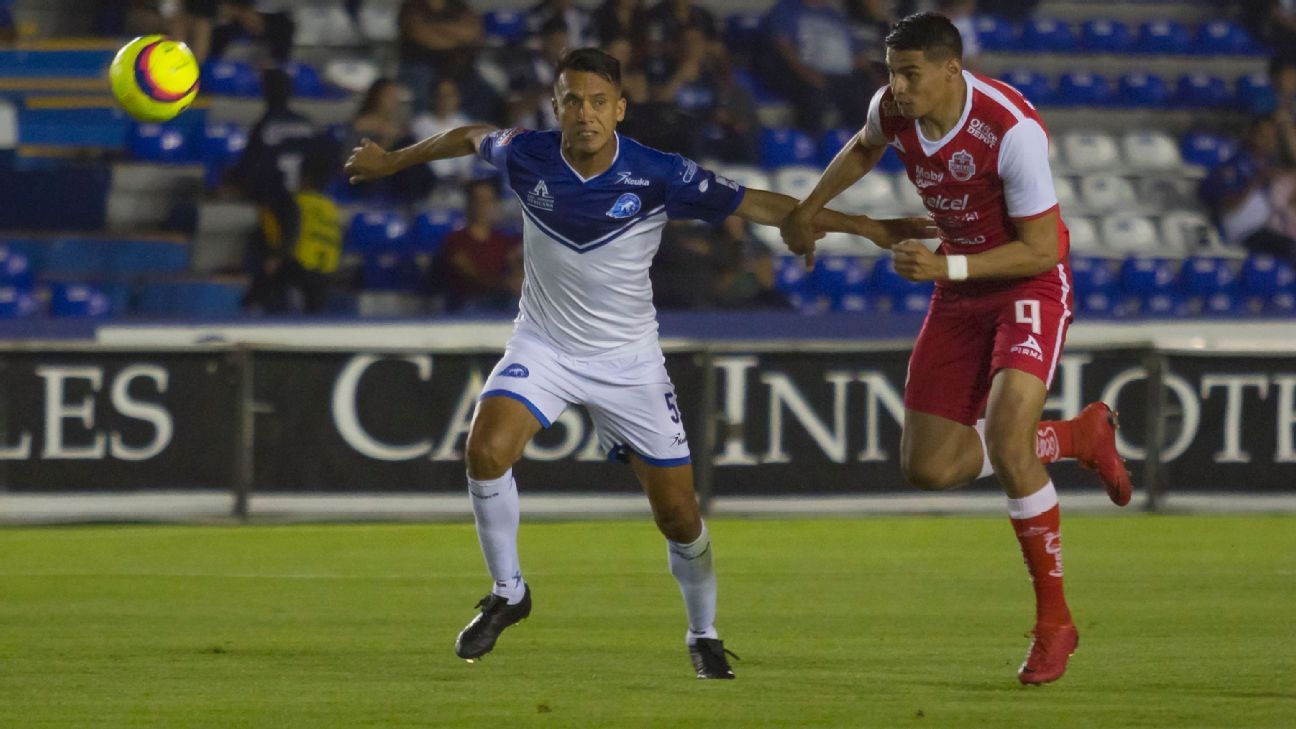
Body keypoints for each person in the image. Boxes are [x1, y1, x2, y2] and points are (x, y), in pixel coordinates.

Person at [346, 47, 932, 679]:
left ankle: (703, 632)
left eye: (599, 101)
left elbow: (758, 204)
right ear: (557, 106)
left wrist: (867, 227)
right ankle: (509, 592)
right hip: (543, 346)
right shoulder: (527, 153)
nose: (585, 113)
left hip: (629, 363)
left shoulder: (659, 173)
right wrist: (393, 162)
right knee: (485, 452)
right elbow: (468, 137)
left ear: (619, 109)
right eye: (573, 100)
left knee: (679, 517)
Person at [781, 13, 1133, 686]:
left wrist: (948, 270)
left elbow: (1043, 247)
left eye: (911, 74)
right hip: (960, 292)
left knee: (1005, 443)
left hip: (1026, 284)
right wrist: (810, 206)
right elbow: (863, 144)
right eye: (891, 72)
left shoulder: (1009, 128)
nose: (898, 87)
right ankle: (1078, 435)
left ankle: (1055, 623)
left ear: (951, 70)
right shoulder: (893, 107)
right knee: (929, 467)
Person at [244, 140, 342, 314]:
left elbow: (291, 232)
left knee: (267, 256)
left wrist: (275, 258)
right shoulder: (331, 207)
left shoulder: (297, 202)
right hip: (327, 272)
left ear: (304, 177)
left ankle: (250, 308)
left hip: (300, 269)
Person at [756, 0, 878, 133]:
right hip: (800, 73)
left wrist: (877, 78)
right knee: (814, 96)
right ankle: (811, 146)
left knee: (866, 97)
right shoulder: (785, 9)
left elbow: (859, 55)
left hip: (839, 76)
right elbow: (783, 47)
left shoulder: (834, 15)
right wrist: (808, 73)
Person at [1199, 115, 1296, 261]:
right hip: (1244, 229)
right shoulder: (1234, 164)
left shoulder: (1268, 164)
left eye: (1272, 136)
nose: (1269, 140)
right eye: (1264, 135)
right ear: (1252, 134)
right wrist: (1256, 181)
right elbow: (1225, 207)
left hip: (1269, 226)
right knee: (1289, 248)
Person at [432, 179, 523, 311]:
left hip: (502, 299)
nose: (483, 206)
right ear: (469, 203)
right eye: (478, 200)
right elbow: (471, 276)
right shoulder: (456, 240)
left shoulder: (504, 240)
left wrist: (517, 279)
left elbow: (516, 268)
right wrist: (504, 284)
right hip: (467, 303)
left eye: (488, 201)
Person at [231, 68, 318, 206]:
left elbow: (251, 166)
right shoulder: (305, 124)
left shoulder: (266, 126)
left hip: (275, 199)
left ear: (266, 92)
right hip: (305, 197)